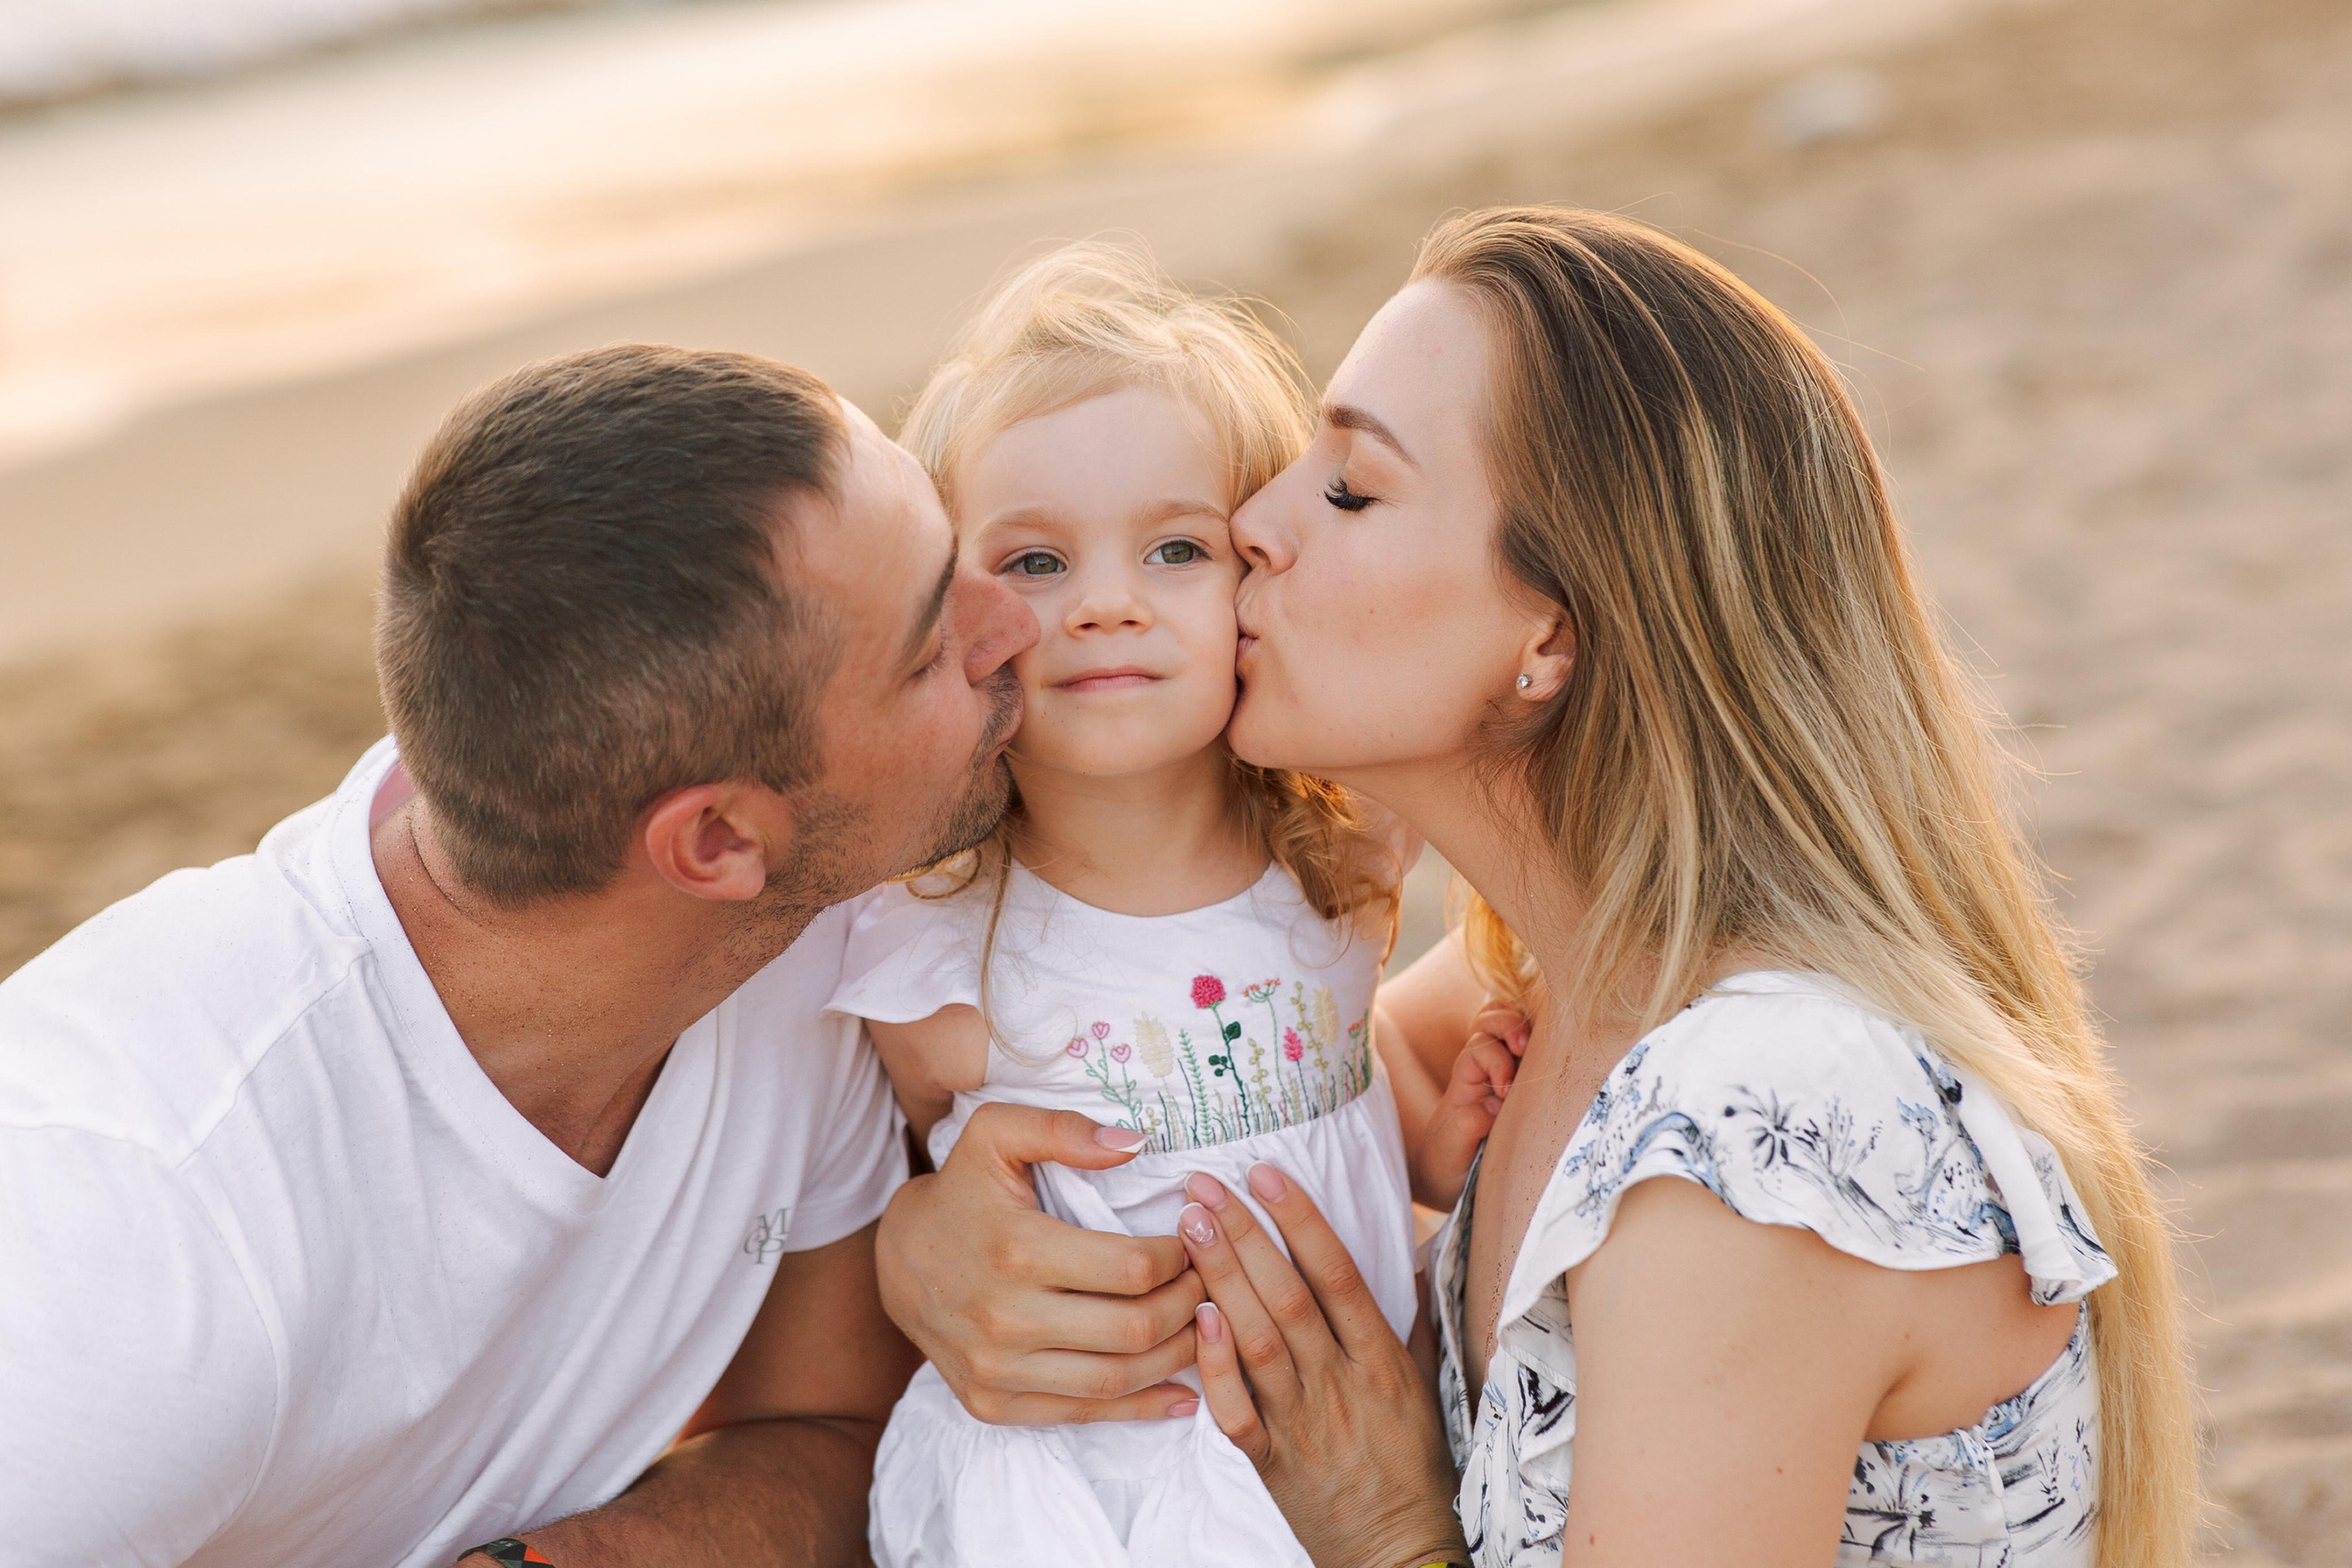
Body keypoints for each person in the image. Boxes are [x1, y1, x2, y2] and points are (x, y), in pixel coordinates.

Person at [880, 208, 2199, 1568]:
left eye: (1348, 488)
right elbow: (1270, 1072)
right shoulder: (1560, 981)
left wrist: (1388, 1530)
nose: (1251, 525)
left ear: (1548, 638)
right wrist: (926, 1249)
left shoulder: (1750, 1142)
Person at [0, 345, 1036, 1566]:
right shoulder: (138, 1225)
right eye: (928, 650)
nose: (1016, 620)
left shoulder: (802, 941)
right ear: (714, 841)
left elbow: (831, 1435)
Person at [835, 242, 1499, 1568]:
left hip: (1334, 1450)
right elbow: (906, 1192)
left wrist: (1440, 1132)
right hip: (1085, 1476)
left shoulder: (1347, 856)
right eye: (1033, 564)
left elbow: (1321, 1105)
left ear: (1259, 569)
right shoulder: (937, 937)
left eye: (1175, 548)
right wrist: (912, 1246)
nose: (1106, 607)